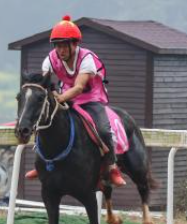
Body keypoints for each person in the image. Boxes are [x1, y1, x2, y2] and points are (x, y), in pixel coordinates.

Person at [26, 15, 125, 186]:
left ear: (74, 44)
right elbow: (45, 83)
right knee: (46, 121)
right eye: (57, 46)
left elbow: (79, 87)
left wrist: (60, 98)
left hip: (91, 97)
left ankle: (111, 166)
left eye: (64, 45)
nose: (60, 50)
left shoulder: (87, 59)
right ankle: (41, 162)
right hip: (66, 94)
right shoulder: (50, 59)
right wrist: (49, 95)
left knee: (103, 129)